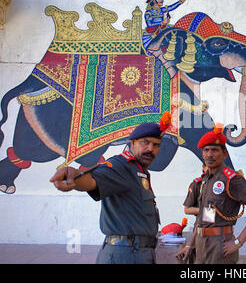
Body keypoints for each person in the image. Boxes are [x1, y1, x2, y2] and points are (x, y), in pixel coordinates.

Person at [49, 112, 172, 264]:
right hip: (125, 255)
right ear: (132, 143)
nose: (150, 149)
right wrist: (74, 176)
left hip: (139, 253)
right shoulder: (121, 165)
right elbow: (93, 180)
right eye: (144, 142)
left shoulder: (139, 171)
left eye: (156, 145)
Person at [176, 124, 246, 264]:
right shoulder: (206, 180)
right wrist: (189, 246)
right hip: (201, 245)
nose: (209, 154)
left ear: (224, 154)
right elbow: (205, 218)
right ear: (202, 154)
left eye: (214, 150)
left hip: (220, 246)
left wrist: (238, 242)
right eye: (206, 150)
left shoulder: (231, 179)